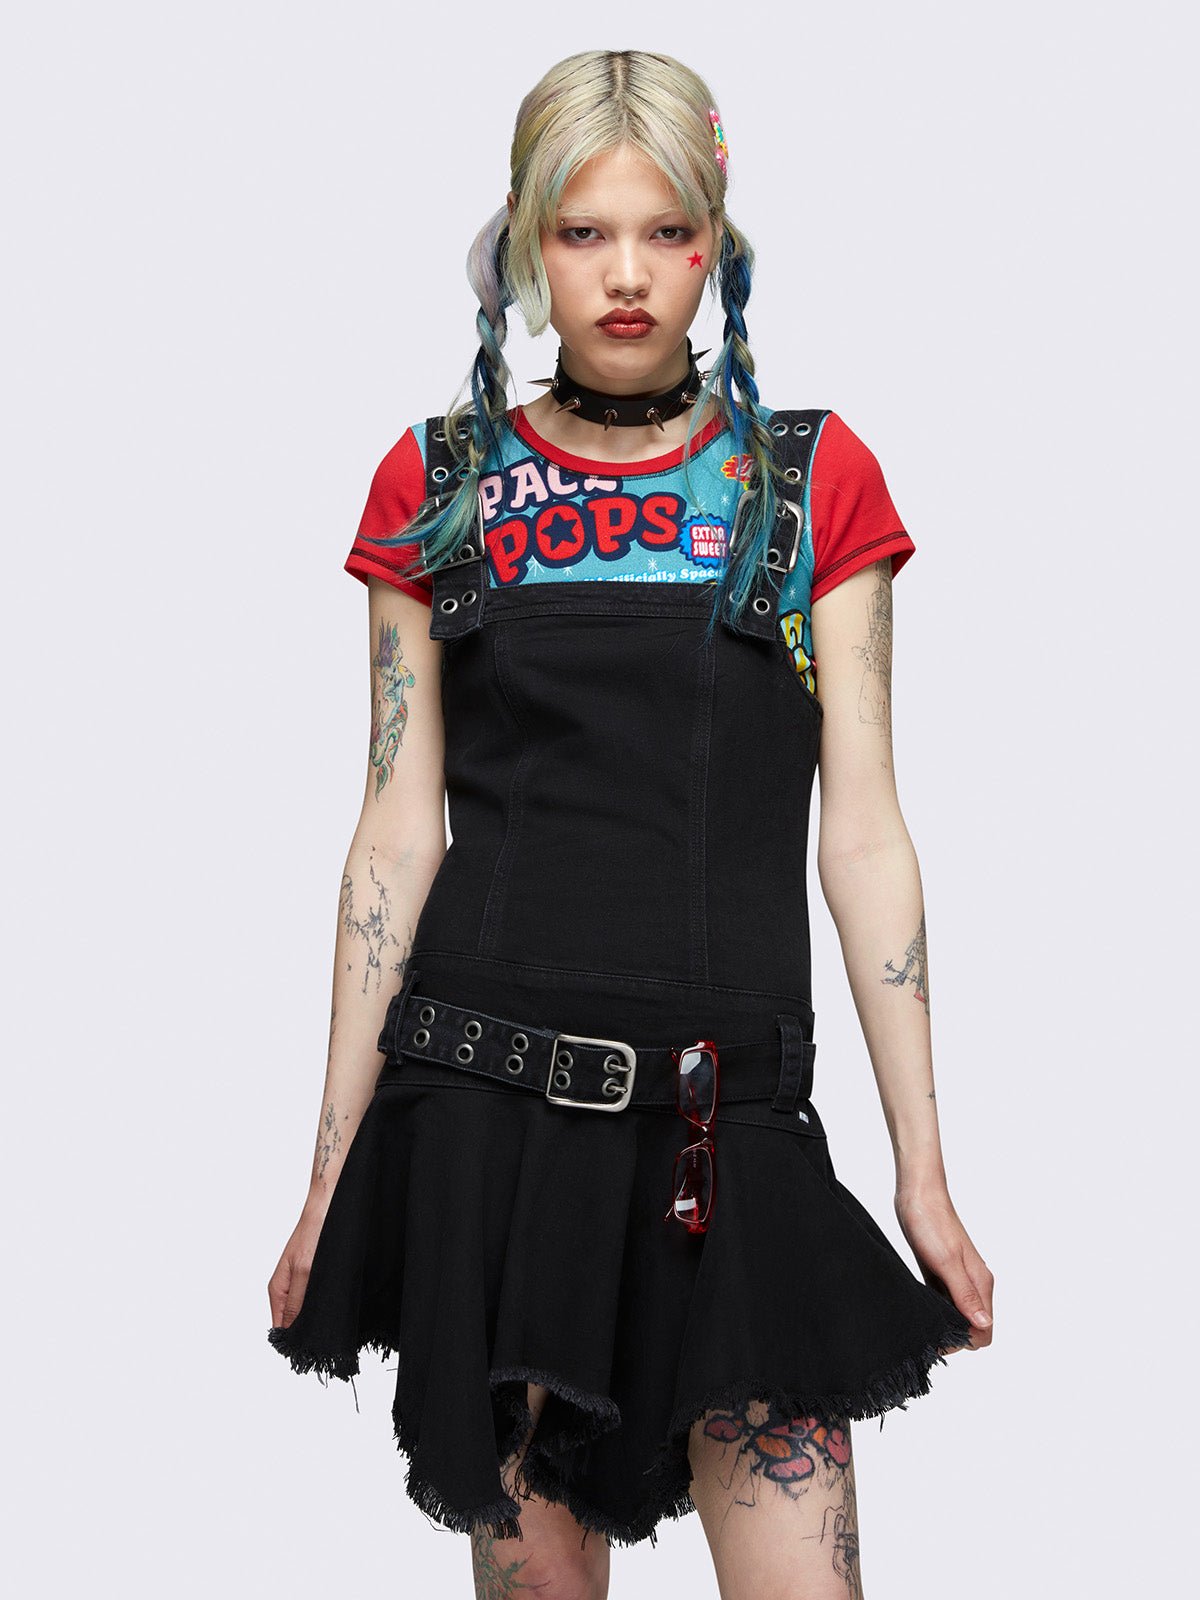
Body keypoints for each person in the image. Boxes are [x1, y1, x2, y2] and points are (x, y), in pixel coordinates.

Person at [267, 47, 993, 1600]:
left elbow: (864, 834)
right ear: (528, 241)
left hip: (726, 1129)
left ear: (717, 243)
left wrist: (922, 1169)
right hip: (484, 1122)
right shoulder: (442, 482)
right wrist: (328, 1174)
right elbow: (394, 835)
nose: (625, 274)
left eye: (666, 231)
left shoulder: (805, 483)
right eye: (584, 231)